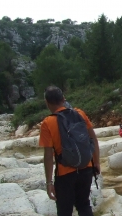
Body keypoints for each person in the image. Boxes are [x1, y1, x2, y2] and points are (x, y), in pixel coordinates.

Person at [39, 86, 100, 216]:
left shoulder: (47, 122)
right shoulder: (80, 114)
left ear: (47, 102)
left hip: (64, 173)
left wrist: (49, 182)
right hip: (86, 168)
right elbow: (93, 139)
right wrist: (96, 163)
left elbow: (48, 155)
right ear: (63, 99)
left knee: (64, 211)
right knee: (84, 205)